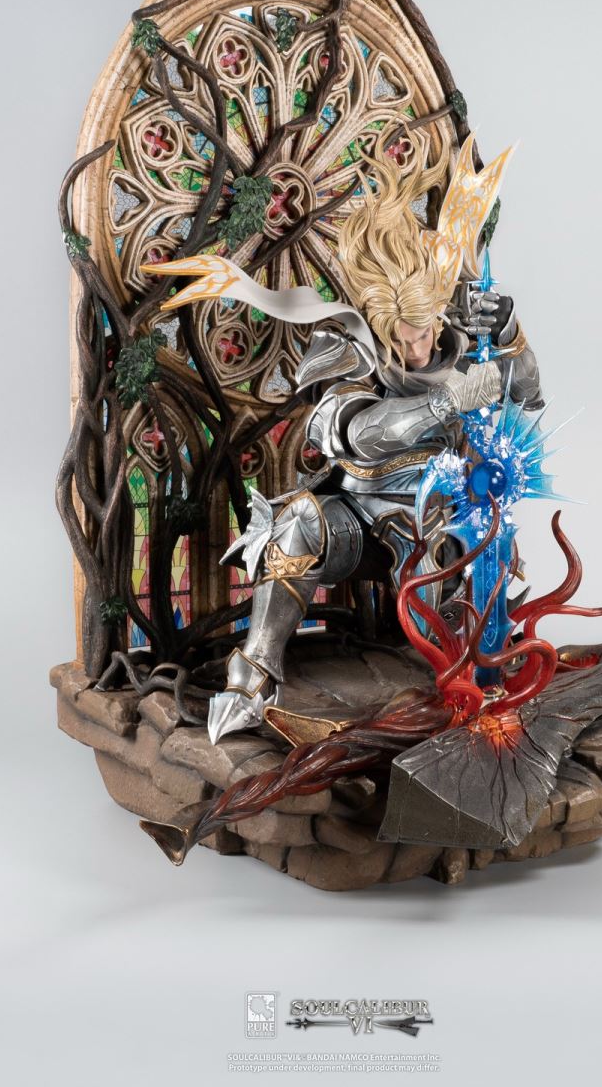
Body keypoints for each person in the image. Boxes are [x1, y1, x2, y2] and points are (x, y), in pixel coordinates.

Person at [207, 149, 544, 742]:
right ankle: (251, 677)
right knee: (297, 524)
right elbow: (356, 434)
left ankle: (471, 679)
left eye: (425, 332)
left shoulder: (463, 339)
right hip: (356, 514)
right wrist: (444, 403)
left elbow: (529, 398)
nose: (417, 350)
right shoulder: (350, 344)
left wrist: (512, 336)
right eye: (403, 338)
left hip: (438, 512)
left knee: (460, 544)